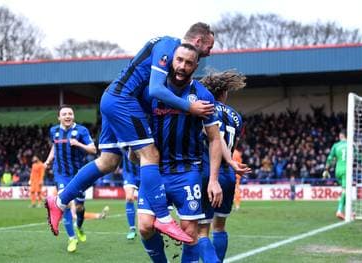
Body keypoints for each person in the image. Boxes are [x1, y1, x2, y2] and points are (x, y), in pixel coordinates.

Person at [45, 22, 216, 243]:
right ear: (198, 42)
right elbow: (155, 89)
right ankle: (163, 218)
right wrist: (189, 107)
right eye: (209, 47)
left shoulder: (165, 47)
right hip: (124, 101)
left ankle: (59, 201)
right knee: (150, 154)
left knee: (107, 162)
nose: (210, 53)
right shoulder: (169, 45)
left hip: (111, 98)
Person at [138, 43, 222, 263]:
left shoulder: (202, 95)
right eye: (179, 60)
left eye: (188, 63)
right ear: (171, 60)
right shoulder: (153, 90)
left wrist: (213, 179)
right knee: (145, 226)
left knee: (190, 233)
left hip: (187, 172)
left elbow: (214, 139)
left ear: (196, 66)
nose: (182, 66)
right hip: (155, 170)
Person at [198, 70, 249, 262]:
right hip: (227, 175)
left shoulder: (204, 110)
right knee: (219, 227)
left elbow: (213, 140)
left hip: (206, 172)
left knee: (201, 231)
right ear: (224, 92)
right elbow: (232, 147)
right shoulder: (236, 116)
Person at [44, 104, 97, 252]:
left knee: (79, 207)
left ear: (73, 116)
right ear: (59, 117)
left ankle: (79, 227)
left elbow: (93, 149)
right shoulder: (53, 131)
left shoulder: (81, 131)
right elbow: (54, 147)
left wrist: (78, 143)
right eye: (64, 114)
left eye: (70, 114)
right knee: (64, 203)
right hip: (61, 174)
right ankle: (72, 238)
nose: (68, 116)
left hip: (78, 175)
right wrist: (48, 160)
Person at [323, 129, 348, 220]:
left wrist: (326, 170)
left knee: (346, 191)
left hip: (337, 171)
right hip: (346, 170)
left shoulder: (335, 145)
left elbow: (329, 158)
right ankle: (339, 211)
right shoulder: (351, 144)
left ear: (341, 136)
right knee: (345, 191)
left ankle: (349, 210)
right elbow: (359, 158)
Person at [122, 153, 140, 240]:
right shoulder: (123, 141)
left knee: (145, 201)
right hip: (129, 173)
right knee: (129, 198)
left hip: (143, 171)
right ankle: (132, 228)